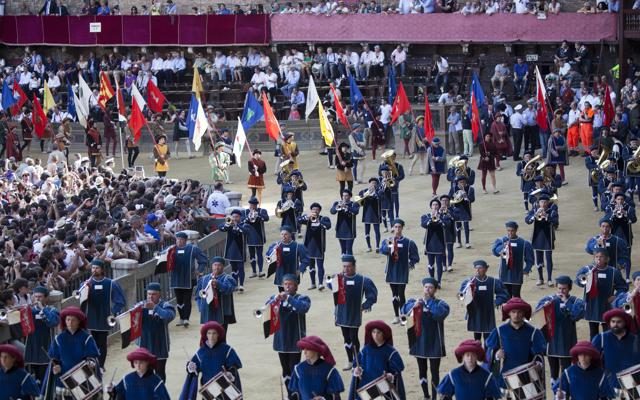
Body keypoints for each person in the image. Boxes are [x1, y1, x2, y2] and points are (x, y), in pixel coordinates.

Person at [401, 277, 450, 400]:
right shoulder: (415, 301)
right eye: (426, 287)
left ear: (435, 290)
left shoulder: (441, 304)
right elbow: (404, 309)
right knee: (422, 370)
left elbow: (440, 314)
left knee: (434, 372)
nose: (427, 290)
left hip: (435, 342)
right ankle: (426, 395)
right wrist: (415, 305)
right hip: (419, 341)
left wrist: (428, 303)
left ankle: (434, 397)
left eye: (430, 288)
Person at [327, 255, 378, 371]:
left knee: (353, 337)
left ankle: (357, 360)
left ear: (354, 267)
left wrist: (365, 305)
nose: (346, 269)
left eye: (349, 267)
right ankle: (350, 360)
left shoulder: (363, 280)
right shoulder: (339, 279)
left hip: (354, 314)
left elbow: (372, 295)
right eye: (344, 267)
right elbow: (330, 285)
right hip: (341, 313)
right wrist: (334, 279)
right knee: (346, 338)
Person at [485, 298, 547, 390]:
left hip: (528, 379)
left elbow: (539, 355)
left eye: (519, 312)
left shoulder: (533, 332)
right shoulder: (499, 331)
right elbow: (488, 355)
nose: (516, 315)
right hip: (505, 379)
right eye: (513, 312)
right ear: (509, 313)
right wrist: (496, 356)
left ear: (524, 313)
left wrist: (539, 364)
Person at [265, 274, 311, 398]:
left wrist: (289, 298)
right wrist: (274, 299)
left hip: (295, 339)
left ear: (296, 286)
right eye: (285, 284)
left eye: (290, 284)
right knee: (285, 369)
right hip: (281, 339)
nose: (287, 286)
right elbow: (265, 310)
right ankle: (290, 394)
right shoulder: (277, 299)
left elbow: (303, 308)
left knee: (294, 369)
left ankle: (296, 393)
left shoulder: (303, 298)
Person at [535, 276, 586, 386]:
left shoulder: (575, 301)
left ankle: (564, 393)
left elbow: (576, 315)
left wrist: (565, 303)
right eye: (559, 288)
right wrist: (544, 307)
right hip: (551, 341)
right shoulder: (549, 299)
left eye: (564, 289)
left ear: (569, 289)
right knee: (553, 372)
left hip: (567, 341)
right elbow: (537, 314)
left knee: (566, 372)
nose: (561, 291)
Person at [81, 258, 126, 368]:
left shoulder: (111, 283)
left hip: (104, 317)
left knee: (101, 343)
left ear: (102, 269)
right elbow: (81, 300)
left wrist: (112, 313)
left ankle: (100, 365)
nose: (94, 270)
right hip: (90, 317)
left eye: (97, 268)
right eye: (93, 268)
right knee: (91, 343)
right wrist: (84, 290)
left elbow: (120, 301)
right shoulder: (87, 283)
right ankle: (93, 364)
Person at [575, 248, 627, 339]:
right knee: (593, 333)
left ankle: (606, 351)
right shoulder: (587, 269)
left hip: (606, 305)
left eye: (601, 257)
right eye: (596, 257)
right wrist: (584, 277)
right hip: (592, 305)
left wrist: (615, 296)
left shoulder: (613, 271)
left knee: (607, 332)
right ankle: (594, 350)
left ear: (607, 259)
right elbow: (579, 281)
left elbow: (623, 287)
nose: (598, 259)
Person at [48, 307, 101, 394]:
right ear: (64, 321)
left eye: (73, 320)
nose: (70, 323)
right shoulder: (58, 339)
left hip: (83, 379)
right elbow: (54, 359)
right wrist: (56, 366)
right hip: (64, 378)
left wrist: (91, 363)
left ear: (79, 322)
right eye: (68, 319)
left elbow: (92, 357)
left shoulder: (87, 338)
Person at [349, 320, 405, 400]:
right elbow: (356, 367)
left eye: (379, 332)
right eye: (373, 332)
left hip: (384, 389)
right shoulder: (364, 350)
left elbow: (396, 371)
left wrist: (391, 376)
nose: (375, 335)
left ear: (384, 334)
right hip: (366, 389)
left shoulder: (391, 352)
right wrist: (357, 371)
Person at [184, 322, 242, 398]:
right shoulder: (201, 352)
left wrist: (230, 374)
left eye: (214, 333)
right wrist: (190, 367)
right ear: (206, 335)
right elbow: (194, 371)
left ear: (218, 334)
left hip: (225, 388)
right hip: (208, 390)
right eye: (209, 333)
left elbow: (234, 366)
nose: (211, 336)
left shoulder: (227, 349)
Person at [459, 260, 509, 343]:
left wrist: (496, 302)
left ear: (486, 269)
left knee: (488, 337)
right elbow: (462, 295)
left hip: (488, 312)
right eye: (476, 268)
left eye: (480, 268)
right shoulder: (469, 282)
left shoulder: (493, 281)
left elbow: (504, 294)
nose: (477, 270)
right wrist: (468, 292)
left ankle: (487, 353)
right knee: (477, 336)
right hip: (475, 311)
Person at [381, 219, 419, 324]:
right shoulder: (387, 240)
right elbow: (383, 251)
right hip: (391, 270)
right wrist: (390, 245)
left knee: (401, 293)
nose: (397, 229)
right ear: (392, 228)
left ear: (402, 228)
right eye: (395, 227)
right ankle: (396, 316)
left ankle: (402, 315)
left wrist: (411, 264)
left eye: (399, 227)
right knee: (394, 294)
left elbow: (415, 256)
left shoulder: (408, 242)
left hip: (402, 271)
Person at [436, 339, 502, 400]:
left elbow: (491, 398)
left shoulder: (487, 376)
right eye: (467, 355)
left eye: (473, 355)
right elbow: (445, 396)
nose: (470, 358)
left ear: (477, 357)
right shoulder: (453, 375)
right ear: (463, 357)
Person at [592, 309, 640, 390]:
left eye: (619, 322)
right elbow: (592, 359)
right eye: (613, 322)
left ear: (625, 322)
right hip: (610, 384)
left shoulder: (635, 339)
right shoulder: (601, 338)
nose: (615, 324)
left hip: (632, 384)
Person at [168, 231, 208, 327]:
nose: (179, 241)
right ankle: (181, 318)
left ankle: (186, 318)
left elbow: (203, 260)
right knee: (179, 300)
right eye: (177, 239)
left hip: (188, 278)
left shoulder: (193, 249)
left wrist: (199, 270)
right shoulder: (171, 249)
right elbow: (162, 257)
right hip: (176, 278)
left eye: (181, 239)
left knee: (187, 299)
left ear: (186, 241)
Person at [139, 282, 176, 382]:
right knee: (145, 374)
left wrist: (155, 307)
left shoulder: (165, 305)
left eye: (153, 294)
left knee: (160, 373)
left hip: (161, 345)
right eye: (149, 294)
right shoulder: (141, 305)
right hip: (145, 345)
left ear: (159, 294)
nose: (150, 296)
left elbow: (169, 316)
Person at [24, 286, 60, 383]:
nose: (37, 299)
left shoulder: (52, 310)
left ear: (46, 298)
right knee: (35, 378)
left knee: (46, 378)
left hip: (46, 346)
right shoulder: (29, 311)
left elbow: (52, 322)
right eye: (35, 297)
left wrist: (42, 309)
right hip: (32, 348)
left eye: (40, 297)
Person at [491, 221, 535, 298]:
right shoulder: (502, 241)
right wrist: (502, 248)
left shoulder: (523, 243)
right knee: (505, 296)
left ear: (516, 230)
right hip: (504, 274)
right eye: (508, 230)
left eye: (512, 231)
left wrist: (526, 269)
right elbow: (495, 252)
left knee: (516, 296)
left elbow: (530, 259)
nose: (510, 233)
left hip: (517, 274)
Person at [195, 257, 237, 331]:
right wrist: (201, 307)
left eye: (219, 265)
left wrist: (218, 284)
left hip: (222, 313)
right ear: (212, 266)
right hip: (208, 312)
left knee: (221, 337)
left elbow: (229, 290)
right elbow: (198, 295)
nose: (217, 267)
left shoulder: (228, 278)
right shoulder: (204, 279)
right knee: (208, 336)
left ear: (223, 266)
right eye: (215, 265)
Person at [525, 194, 559, 286]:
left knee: (548, 258)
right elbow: (527, 220)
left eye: (545, 202)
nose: (543, 204)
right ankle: (540, 278)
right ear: (539, 203)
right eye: (541, 202)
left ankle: (549, 278)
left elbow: (556, 222)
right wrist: (534, 215)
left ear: (548, 202)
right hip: (538, 236)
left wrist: (546, 215)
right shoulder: (535, 210)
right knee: (538, 258)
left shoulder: (552, 211)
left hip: (548, 237)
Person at [298, 202, 332, 290]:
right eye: (313, 210)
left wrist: (318, 221)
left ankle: (320, 283)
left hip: (319, 246)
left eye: (317, 210)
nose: (315, 211)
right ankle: (313, 283)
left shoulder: (323, 218)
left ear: (319, 211)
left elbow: (328, 226)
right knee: (311, 266)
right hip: (309, 246)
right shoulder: (308, 218)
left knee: (320, 265)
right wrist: (307, 217)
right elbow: (298, 220)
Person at [266, 225, 309, 290]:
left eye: (286, 234)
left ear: (290, 235)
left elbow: (306, 259)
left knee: (291, 296)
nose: (283, 236)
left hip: (292, 274)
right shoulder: (276, 245)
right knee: (282, 295)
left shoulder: (298, 246)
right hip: (280, 275)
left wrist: (300, 269)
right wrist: (273, 251)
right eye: (282, 234)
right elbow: (268, 258)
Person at [218, 209, 249, 291]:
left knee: (240, 267)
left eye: (237, 217)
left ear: (240, 217)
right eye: (233, 217)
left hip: (240, 249)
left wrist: (236, 225)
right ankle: (235, 284)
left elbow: (245, 231)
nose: (235, 218)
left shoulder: (244, 224)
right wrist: (228, 225)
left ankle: (241, 285)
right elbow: (220, 228)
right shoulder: (229, 224)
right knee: (234, 268)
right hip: (231, 249)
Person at [421, 198, 450, 282]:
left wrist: (439, 217)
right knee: (430, 264)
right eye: (433, 205)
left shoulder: (444, 216)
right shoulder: (425, 216)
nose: (435, 206)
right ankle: (432, 280)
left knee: (439, 263)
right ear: (431, 206)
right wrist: (431, 218)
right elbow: (424, 225)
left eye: (437, 204)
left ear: (439, 206)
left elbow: (447, 225)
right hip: (429, 243)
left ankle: (439, 281)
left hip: (440, 243)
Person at [243, 196, 270, 278]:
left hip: (259, 236)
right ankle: (254, 271)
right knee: (251, 255)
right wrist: (248, 217)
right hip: (249, 235)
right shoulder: (246, 211)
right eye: (251, 204)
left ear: (256, 205)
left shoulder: (262, 210)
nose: (252, 206)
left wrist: (258, 215)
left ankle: (260, 271)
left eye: (254, 205)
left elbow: (266, 218)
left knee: (259, 254)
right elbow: (242, 220)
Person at [330, 189, 360, 255]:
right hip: (340, 229)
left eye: (346, 196)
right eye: (343, 196)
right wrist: (336, 207)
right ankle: (344, 264)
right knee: (343, 250)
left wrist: (346, 207)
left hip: (350, 230)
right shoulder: (337, 203)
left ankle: (351, 264)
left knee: (349, 249)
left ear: (350, 196)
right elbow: (332, 212)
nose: (344, 197)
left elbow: (355, 212)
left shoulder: (354, 204)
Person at [449, 175, 475, 248]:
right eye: (460, 182)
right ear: (457, 183)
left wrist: (465, 195)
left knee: (466, 225)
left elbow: (472, 199)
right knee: (458, 226)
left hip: (466, 209)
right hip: (456, 209)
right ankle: (459, 242)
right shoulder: (453, 189)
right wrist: (455, 198)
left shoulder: (470, 189)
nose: (462, 184)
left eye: (463, 182)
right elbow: (449, 198)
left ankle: (467, 242)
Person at [377, 150, 405, 218]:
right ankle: (386, 216)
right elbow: (379, 174)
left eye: (392, 157)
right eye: (389, 157)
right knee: (385, 201)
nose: (391, 158)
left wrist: (395, 179)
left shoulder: (398, 166)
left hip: (394, 185)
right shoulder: (382, 165)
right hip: (385, 186)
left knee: (395, 201)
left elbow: (402, 175)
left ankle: (397, 215)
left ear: (395, 157)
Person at [359, 178, 382, 253]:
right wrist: (366, 194)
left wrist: (374, 193)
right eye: (371, 183)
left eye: (375, 183)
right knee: (367, 231)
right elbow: (357, 200)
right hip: (367, 213)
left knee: (377, 231)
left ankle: (377, 246)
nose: (373, 184)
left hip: (376, 213)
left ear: (377, 185)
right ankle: (369, 246)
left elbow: (381, 198)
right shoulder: (364, 191)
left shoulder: (379, 191)